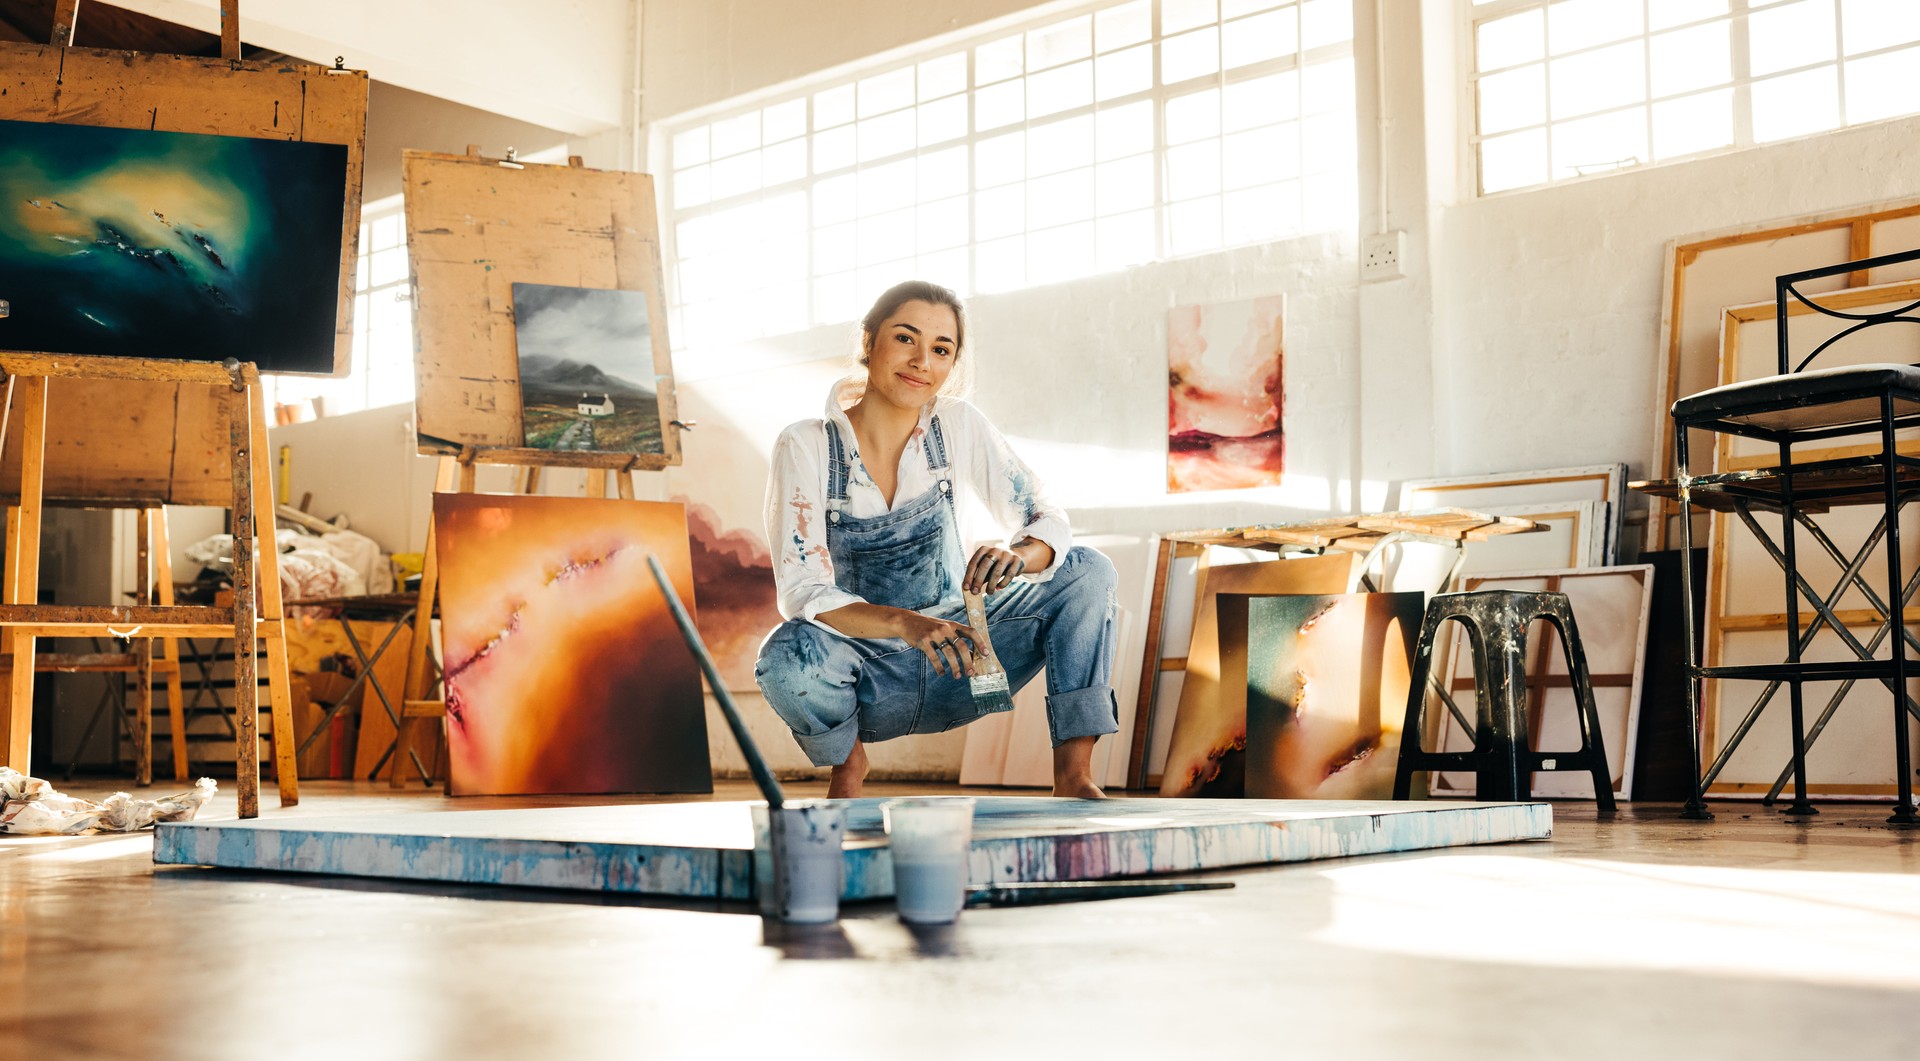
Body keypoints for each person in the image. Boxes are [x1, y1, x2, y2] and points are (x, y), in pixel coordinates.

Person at [754, 280, 1118, 799]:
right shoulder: (807, 444)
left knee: (1087, 568)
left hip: (966, 661)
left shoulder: (957, 426)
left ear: (951, 365)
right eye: (906, 339)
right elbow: (803, 590)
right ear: (868, 341)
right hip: (870, 675)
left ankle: (1075, 777)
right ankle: (849, 765)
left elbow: (1046, 518)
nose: (922, 360)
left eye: (941, 349)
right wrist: (906, 624)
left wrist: (1016, 555)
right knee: (785, 654)